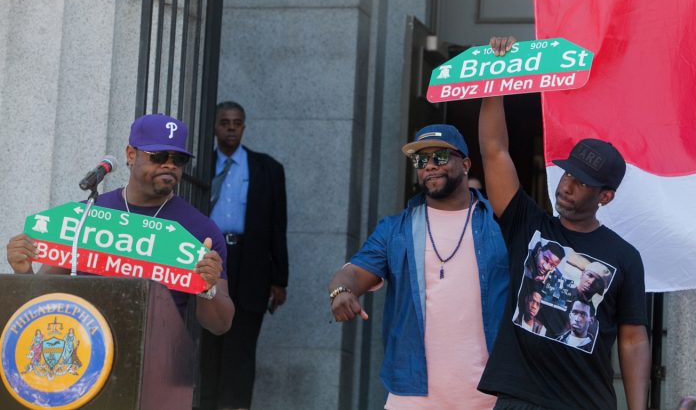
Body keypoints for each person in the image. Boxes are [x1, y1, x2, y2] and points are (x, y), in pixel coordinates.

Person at [477, 36, 651, 410]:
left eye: (582, 182)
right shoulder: (528, 225)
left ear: (605, 196)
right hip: (518, 400)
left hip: (585, 403)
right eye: (567, 174)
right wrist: (496, 75)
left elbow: (634, 338)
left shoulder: (624, 256)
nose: (567, 186)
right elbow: (495, 151)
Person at [327, 124, 509, 409]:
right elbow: (352, 273)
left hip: (489, 395)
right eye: (421, 160)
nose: (430, 166)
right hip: (412, 395)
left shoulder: (500, 225)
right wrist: (340, 291)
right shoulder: (395, 229)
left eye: (439, 157)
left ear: (465, 163)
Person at [6, 113, 235, 336]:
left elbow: (220, 325)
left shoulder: (201, 230)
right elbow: (42, 298)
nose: (169, 165)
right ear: (131, 154)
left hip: (156, 362)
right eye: (158, 156)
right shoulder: (85, 215)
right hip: (83, 354)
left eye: (178, 159)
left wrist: (207, 288)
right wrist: (23, 271)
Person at [199, 101, 289, 410]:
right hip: (209, 259)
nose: (231, 128)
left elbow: (278, 226)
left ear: (244, 127)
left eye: (237, 122)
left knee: (241, 344)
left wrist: (280, 279)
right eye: (224, 122)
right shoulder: (200, 168)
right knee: (207, 340)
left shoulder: (267, 168)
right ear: (214, 127)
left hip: (250, 263)